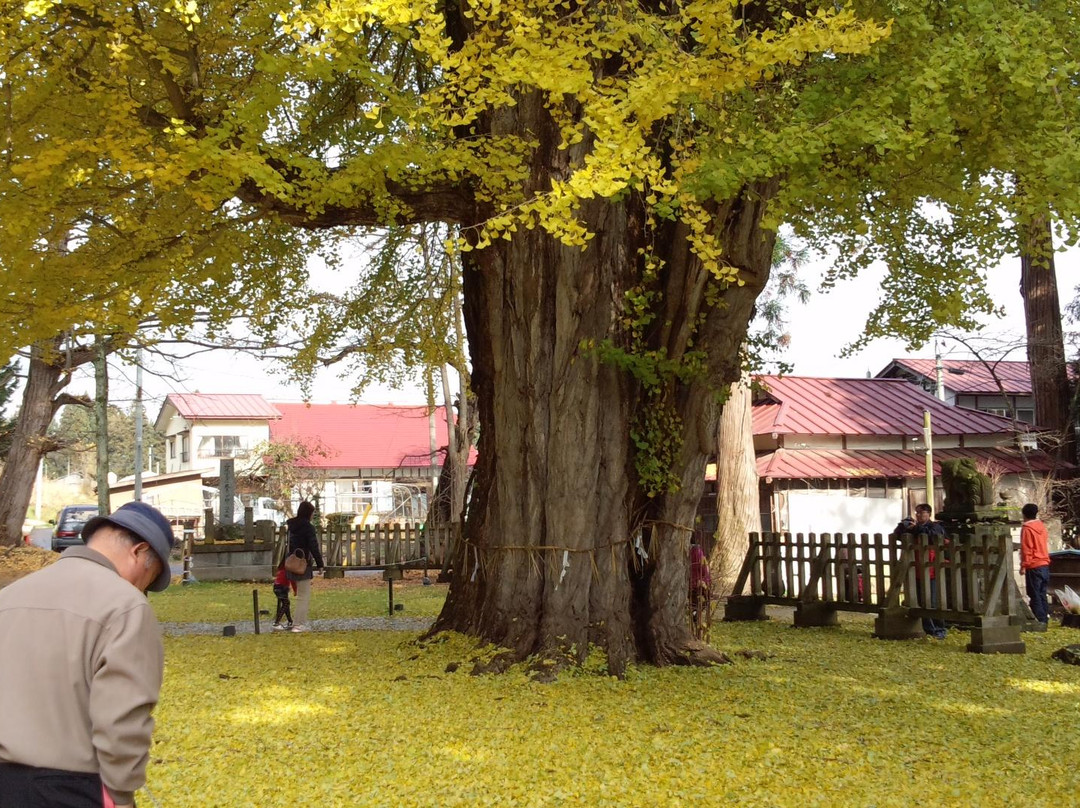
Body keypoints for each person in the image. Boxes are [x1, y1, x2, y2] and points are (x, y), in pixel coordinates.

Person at [0, 501, 176, 808]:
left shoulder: (9, 596)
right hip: (69, 789)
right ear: (139, 552)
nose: (142, 588)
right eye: (149, 577)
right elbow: (122, 720)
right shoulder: (125, 606)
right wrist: (121, 796)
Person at [905, 503, 948, 640]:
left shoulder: (935, 526)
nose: (918, 515)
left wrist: (917, 528)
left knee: (932, 601)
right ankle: (928, 629)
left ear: (928, 514)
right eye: (917, 512)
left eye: (922, 513)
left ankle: (938, 629)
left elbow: (934, 536)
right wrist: (904, 525)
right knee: (920, 600)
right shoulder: (915, 528)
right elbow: (898, 534)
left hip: (931, 569)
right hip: (916, 568)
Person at [286, 500, 324, 633]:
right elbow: (313, 546)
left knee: (298, 595)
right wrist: (320, 564)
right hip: (303, 564)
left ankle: (295, 622)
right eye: (312, 513)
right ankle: (299, 624)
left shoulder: (291, 526)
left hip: (292, 562)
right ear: (308, 513)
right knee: (304, 595)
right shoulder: (308, 528)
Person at [1020, 502, 1051, 626]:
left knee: (1034, 594)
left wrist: (1023, 565)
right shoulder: (1041, 526)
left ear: (1024, 514)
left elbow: (1027, 548)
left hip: (1033, 564)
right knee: (1042, 593)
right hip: (1044, 563)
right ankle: (1045, 616)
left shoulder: (1027, 528)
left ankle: (1040, 620)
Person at [272, 561, 296, 630]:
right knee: (286, 604)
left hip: (276, 587)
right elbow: (292, 581)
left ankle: (290, 621)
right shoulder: (289, 570)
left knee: (286, 604)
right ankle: (276, 622)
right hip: (282, 587)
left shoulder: (282, 568)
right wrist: (295, 591)